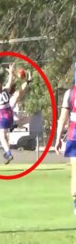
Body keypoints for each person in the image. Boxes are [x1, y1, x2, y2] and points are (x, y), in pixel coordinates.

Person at [0, 64, 32, 164]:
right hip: (10, 116)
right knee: (6, 136)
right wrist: (11, 73)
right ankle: (7, 153)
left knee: (2, 137)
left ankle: (8, 153)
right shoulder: (5, 91)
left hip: (3, 118)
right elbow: (10, 82)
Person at [54, 82, 76, 215]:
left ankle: (75, 202)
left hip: (74, 137)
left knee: (75, 171)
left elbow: (62, 119)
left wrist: (58, 139)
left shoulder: (70, 94)